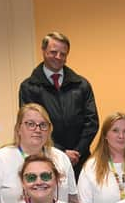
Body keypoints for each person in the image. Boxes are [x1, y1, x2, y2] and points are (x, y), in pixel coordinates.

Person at [19, 31, 99, 178]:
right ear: (43, 51)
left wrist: (77, 152)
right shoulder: (29, 87)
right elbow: (31, 126)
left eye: (63, 54)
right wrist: (61, 153)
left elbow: (92, 122)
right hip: (46, 159)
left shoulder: (81, 85)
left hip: (80, 160)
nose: (58, 57)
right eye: (53, 52)